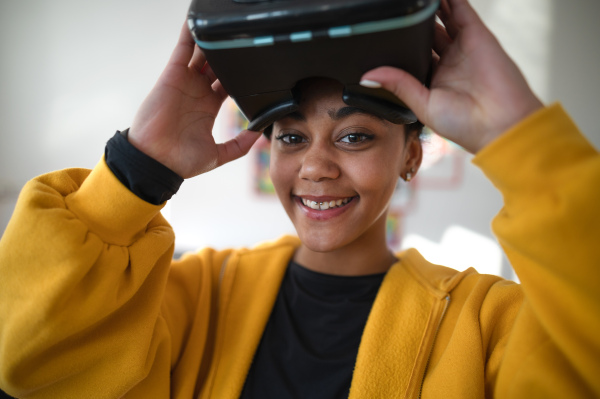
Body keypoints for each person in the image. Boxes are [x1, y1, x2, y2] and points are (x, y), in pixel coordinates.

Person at [0, 0, 598, 397]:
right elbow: (33, 361)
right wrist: (136, 168)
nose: (314, 165)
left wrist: (515, 135)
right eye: (291, 137)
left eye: (355, 135)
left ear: (412, 155)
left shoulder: (486, 320)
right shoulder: (197, 293)